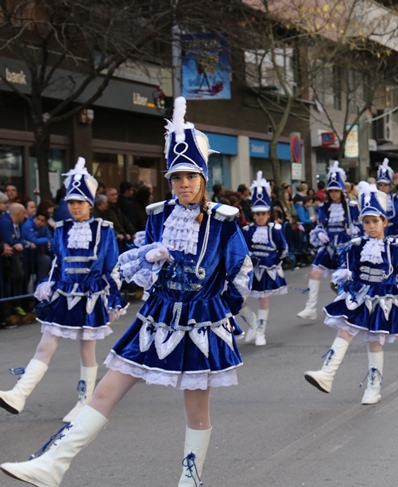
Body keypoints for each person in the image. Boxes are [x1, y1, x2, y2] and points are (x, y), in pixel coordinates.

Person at [0, 97, 252, 487]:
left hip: (203, 323)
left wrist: (216, 312)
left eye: (190, 177)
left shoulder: (224, 222)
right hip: (155, 317)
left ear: (203, 177)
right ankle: (53, 464)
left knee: (196, 411)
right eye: (176, 178)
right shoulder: (157, 216)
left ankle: (190, 480)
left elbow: (239, 276)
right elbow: (138, 273)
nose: (183, 184)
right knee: (107, 389)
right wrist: (150, 259)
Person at [0, 158, 127, 424]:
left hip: (91, 297)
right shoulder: (62, 229)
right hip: (63, 293)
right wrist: (48, 283)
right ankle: (19, 394)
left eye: (80, 202)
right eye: (71, 202)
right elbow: (59, 261)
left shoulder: (104, 230)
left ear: (90, 204)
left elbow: (111, 267)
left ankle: (83, 403)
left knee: (86, 350)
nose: (75, 207)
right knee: (45, 344)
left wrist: (115, 299)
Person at [304, 181, 398, 404]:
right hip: (357, 296)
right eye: (366, 222)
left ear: (384, 222)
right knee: (345, 330)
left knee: (374, 343)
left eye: (375, 221)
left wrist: (389, 291)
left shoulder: (393, 246)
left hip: (380, 300)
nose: (370, 226)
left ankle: (373, 387)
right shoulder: (356, 245)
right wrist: (343, 277)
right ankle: (327, 374)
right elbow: (348, 268)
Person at [297, 161, 359, 320]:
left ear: (341, 191)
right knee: (315, 272)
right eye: (331, 191)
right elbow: (319, 226)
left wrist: (354, 231)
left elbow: (359, 225)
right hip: (328, 246)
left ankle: (345, 307)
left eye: (336, 191)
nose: (334, 194)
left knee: (342, 280)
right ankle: (310, 308)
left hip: (345, 247)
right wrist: (319, 234)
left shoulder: (351, 207)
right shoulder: (323, 208)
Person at [239, 172, 288, 347]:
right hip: (250, 272)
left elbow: (283, 249)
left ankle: (260, 332)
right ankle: (252, 323)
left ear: (268, 213)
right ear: (253, 214)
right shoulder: (247, 231)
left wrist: (274, 262)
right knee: (239, 300)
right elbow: (243, 250)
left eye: (263, 213)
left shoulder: (275, 230)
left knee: (263, 300)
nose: (260, 217)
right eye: (257, 214)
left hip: (268, 270)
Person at [376, 159, 398, 237]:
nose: (383, 188)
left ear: (390, 186)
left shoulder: (395, 199)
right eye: (380, 185)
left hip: (394, 234)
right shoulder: (373, 199)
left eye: (385, 185)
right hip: (378, 235)